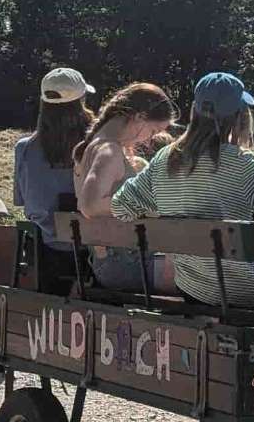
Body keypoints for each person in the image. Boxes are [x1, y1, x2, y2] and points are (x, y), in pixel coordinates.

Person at [111, 72, 254, 308]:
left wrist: (166, 207)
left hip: (194, 288)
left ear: (194, 109)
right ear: (239, 117)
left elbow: (120, 207)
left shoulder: (164, 160)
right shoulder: (241, 164)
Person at [73, 82, 177, 291]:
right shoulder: (109, 150)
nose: (150, 139)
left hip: (111, 263)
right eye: (153, 130)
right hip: (126, 265)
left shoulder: (93, 145)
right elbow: (90, 205)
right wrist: (144, 205)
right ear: (139, 117)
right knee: (212, 278)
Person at [12, 67, 94, 252]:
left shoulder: (23, 148)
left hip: (44, 247)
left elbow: (22, 200)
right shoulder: (97, 145)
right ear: (81, 101)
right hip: (92, 247)